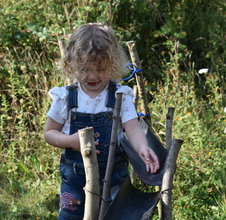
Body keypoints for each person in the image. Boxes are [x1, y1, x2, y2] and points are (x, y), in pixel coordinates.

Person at [44, 23, 160, 220]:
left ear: (112, 64)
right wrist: (71, 141)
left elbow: (132, 128)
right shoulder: (65, 97)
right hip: (75, 178)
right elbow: (49, 133)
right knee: (72, 217)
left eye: (100, 69)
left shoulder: (120, 95)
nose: (92, 76)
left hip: (114, 175)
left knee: (114, 216)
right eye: (84, 69)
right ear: (72, 64)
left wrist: (142, 147)